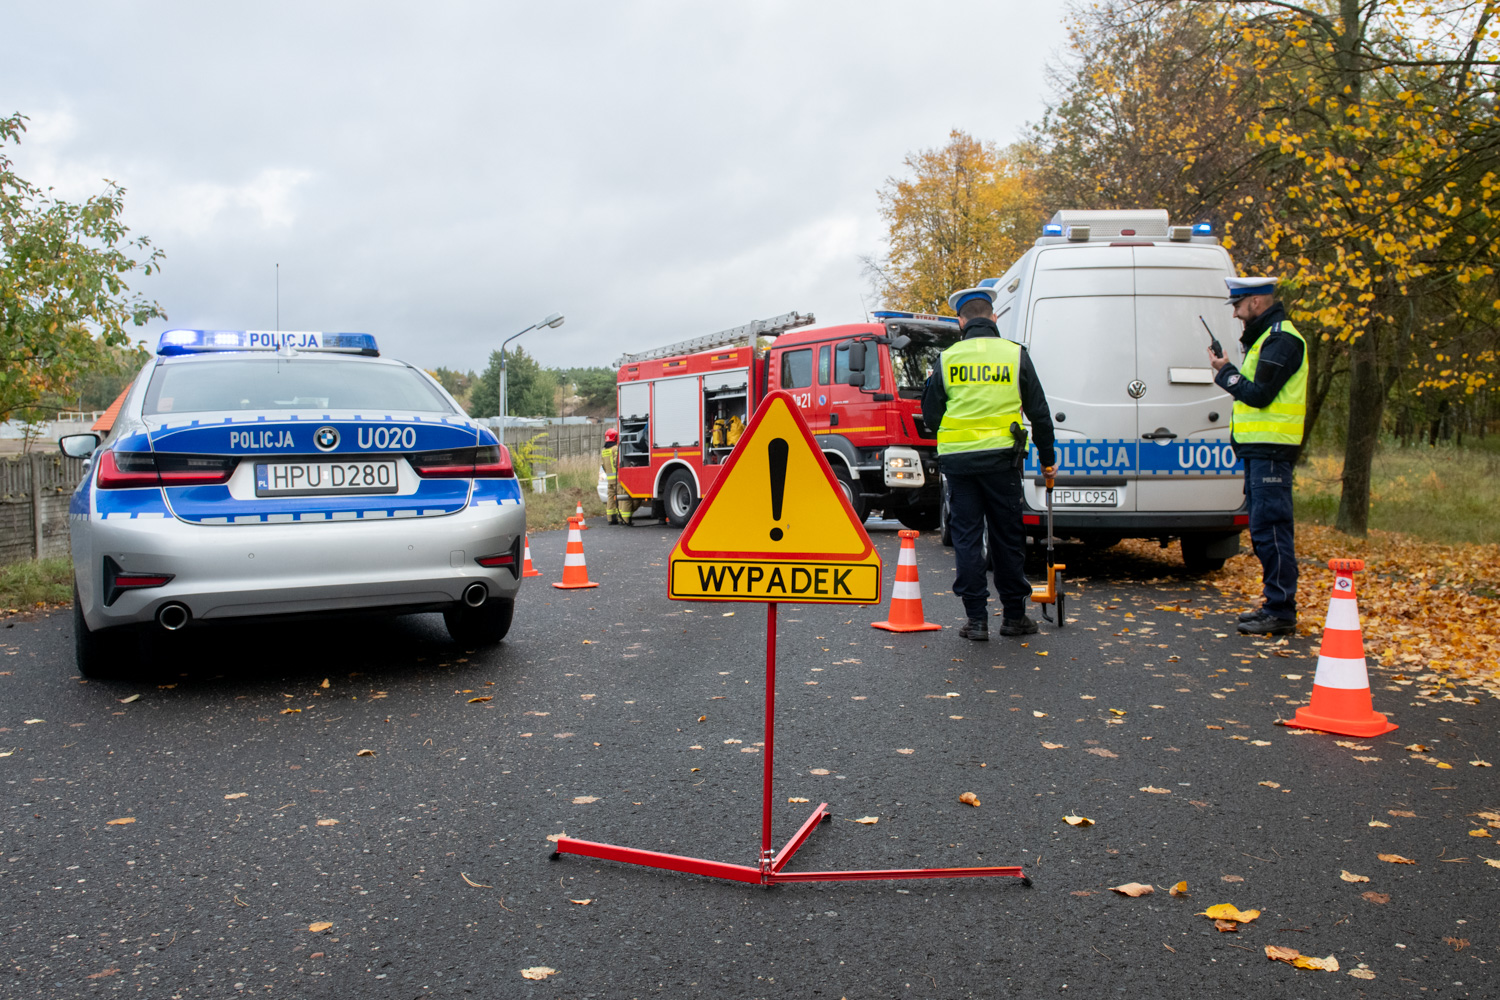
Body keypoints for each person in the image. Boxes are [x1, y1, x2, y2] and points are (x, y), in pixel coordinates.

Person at [923, 285, 1057, 641]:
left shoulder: (948, 359)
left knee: (967, 538)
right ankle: (1014, 617)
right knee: (1007, 537)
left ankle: (976, 620)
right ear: (994, 317)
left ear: (960, 321)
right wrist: (1048, 460)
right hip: (1002, 462)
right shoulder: (1015, 355)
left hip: (959, 464)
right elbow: (1040, 413)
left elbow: (931, 413)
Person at [1209, 275, 1307, 636]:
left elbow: (1260, 394)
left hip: (1272, 451)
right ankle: (1274, 605)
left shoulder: (1281, 340)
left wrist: (1226, 374)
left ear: (1256, 301)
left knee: (1273, 531)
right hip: (1260, 451)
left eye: (1238, 305)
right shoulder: (1266, 338)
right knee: (1265, 531)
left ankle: (1281, 610)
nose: (1235, 313)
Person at [601, 427, 638, 526]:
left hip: (610, 479)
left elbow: (603, 466)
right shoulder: (615, 448)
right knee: (623, 497)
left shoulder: (604, 450)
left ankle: (611, 518)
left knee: (611, 498)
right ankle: (624, 519)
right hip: (618, 478)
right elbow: (617, 462)